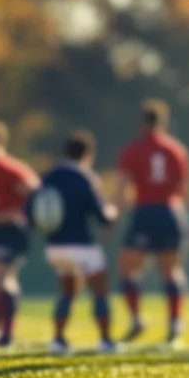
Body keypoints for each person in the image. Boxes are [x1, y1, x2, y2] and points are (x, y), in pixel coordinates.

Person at [30, 131, 118, 355]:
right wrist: (112, 212)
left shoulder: (48, 176)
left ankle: (58, 340)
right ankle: (106, 341)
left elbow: (31, 209)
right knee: (99, 291)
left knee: (67, 292)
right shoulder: (85, 177)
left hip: (54, 246)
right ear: (88, 154)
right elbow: (101, 215)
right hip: (82, 245)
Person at [113, 100, 189, 348]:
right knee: (172, 271)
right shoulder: (177, 150)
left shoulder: (133, 150)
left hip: (145, 212)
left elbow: (123, 188)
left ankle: (137, 318)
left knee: (128, 269)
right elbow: (186, 188)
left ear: (143, 122)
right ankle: (175, 324)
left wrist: (115, 213)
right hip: (172, 212)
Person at [0, 119, 38, 347]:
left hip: (11, 231)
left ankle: (6, 333)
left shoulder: (9, 168)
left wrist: (14, 214)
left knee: (2, 279)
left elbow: (33, 193)